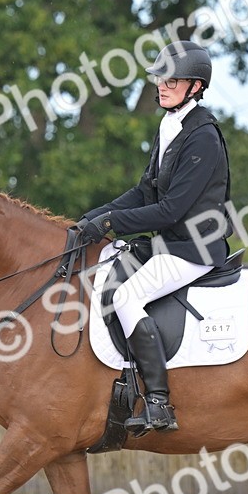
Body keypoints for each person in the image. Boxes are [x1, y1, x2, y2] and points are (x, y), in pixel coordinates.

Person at [73, 41, 232, 435]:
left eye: (172, 80)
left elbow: (171, 210)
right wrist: (90, 220)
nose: (161, 85)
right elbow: (146, 192)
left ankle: (159, 402)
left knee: (127, 297)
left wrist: (110, 223)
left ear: (195, 86)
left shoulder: (203, 136)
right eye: (160, 78)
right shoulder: (170, 126)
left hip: (193, 247)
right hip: (169, 243)